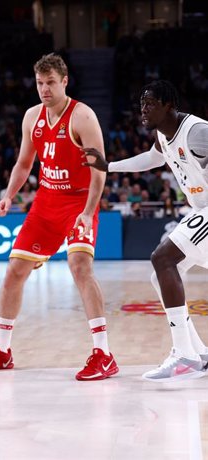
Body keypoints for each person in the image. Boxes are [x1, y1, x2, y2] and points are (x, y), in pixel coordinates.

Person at [0, 53, 118, 381]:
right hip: (45, 202)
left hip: (79, 202)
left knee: (80, 266)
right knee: (14, 271)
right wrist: (9, 195)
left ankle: (104, 354)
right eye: (40, 83)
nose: (44, 89)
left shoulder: (83, 116)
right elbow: (25, 164)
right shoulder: (31, 117)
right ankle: (2, 350)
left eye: (50, 82)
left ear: (64, 81)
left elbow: (99, 172)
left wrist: (87, 212)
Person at [83, 80, 208, 382]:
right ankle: (198, 353)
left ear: (169, 105)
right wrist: (108, 166)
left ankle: (184, 356)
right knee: (161, 272)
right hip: (200, 210)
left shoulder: (197, 132)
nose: (143, 109)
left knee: (162, 259)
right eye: (141, 103)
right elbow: (153, 158)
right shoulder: (164, 137)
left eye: (150, 103)